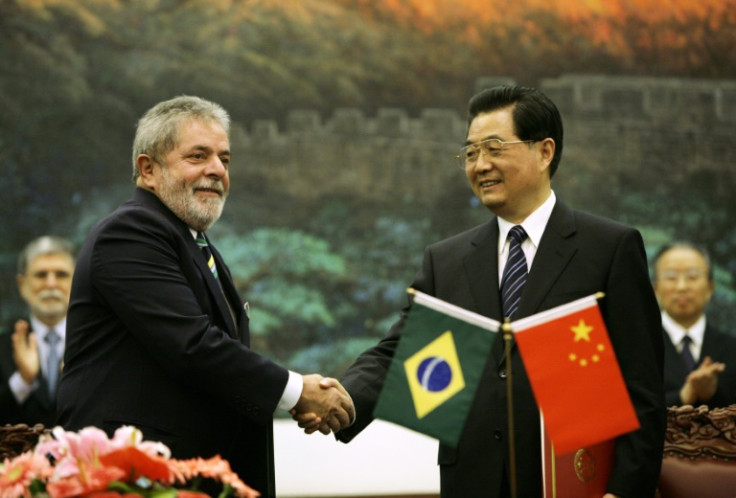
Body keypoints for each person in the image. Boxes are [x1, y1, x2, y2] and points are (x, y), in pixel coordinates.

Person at [303, 86, 666, 497]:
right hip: (472, 481)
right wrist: (346, 397)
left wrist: (623, 492)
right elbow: (401, 352)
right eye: (470, 153)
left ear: (545, 151)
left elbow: (643, 388)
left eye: (494, 148)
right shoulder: (448, 260)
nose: (480, 165)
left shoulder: (608, 249)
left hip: (571, 482)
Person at [56, 95, 354, 497]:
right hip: (132, 480)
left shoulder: (196, 245)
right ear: (148, 169)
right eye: (198, 156)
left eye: (225, 159)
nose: (217, 170)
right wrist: (297, 392)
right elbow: (192, 345)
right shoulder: (129, 233)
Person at [0, 236, 75, 427]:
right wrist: (23, 381)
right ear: (21, 285)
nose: (51, 284)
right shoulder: (3, 345)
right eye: (41, 275)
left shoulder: (95, 344)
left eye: (61, 275)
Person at [653, 242, 736, 408]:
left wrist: (711, 392)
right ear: (656, 289)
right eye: (671, 277)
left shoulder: (731, 349)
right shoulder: (638, 347)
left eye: (692, 277)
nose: (681, 287)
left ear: (710, 288)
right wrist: (684, 395)